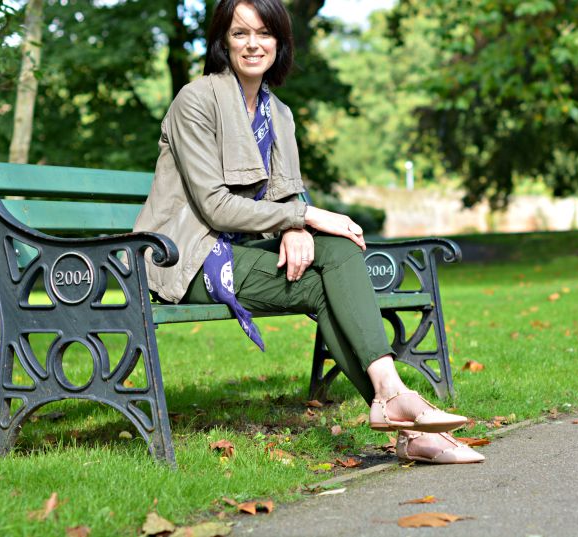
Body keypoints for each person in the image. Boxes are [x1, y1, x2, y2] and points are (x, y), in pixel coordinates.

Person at [134, 0, 483, 464]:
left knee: (333, 258)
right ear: (223, 42)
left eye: (264, 33)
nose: (253, 44)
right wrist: (303, 219)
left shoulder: (278, 114)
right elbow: (215, 206)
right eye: (240, 34)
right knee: (327, 261)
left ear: (280, 43)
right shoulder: (196, 100)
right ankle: (403, 411)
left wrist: (295, 225)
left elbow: (285, 196)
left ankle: (392, 400)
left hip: (246, 248)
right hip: (188, 259)